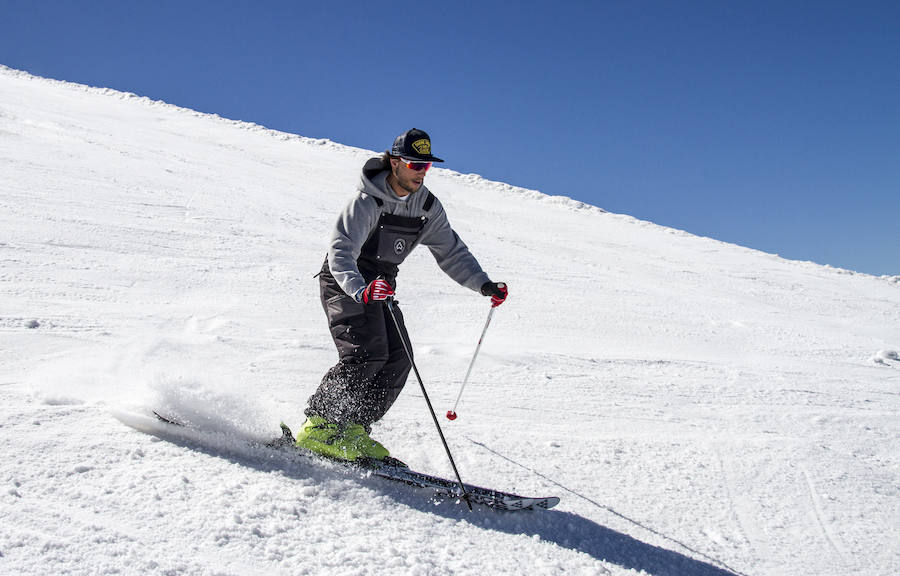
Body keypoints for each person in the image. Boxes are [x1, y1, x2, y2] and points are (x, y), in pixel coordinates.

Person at [294, 128, 508, 461]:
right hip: (346, 281)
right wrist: (361, 290)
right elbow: (340, 253)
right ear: (395, 163)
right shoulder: (367, 201)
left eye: (426, 166)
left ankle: (353, 427)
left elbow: (450, 251)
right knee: (366, 354)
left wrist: (483, 284)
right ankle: (319, 426)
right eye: (413, 164)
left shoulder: (427, 207)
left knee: (398, 357)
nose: (420, 172)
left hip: (381, 285)